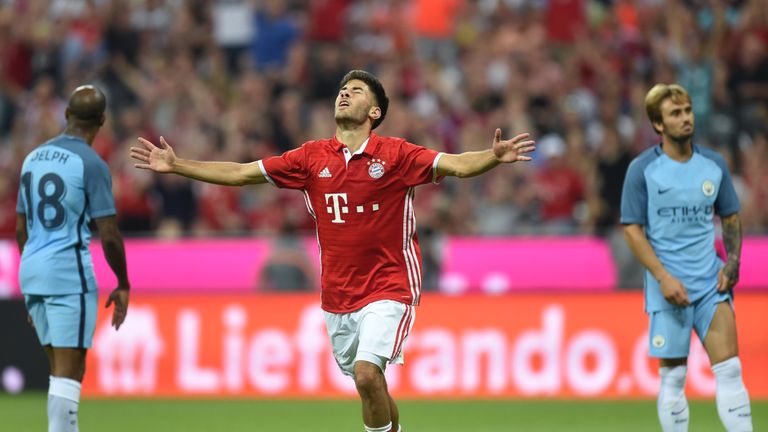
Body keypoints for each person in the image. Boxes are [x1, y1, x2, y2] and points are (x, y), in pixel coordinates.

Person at [131, 70, 534, 432]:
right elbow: (240, 173)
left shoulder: (396, 155)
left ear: (374, 111)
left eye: (356, 91)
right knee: (370, 384)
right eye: (342, 89)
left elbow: (458, 165)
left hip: (390, 285)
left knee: (365, 375)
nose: (344, 94)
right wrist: (177, 164)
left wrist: (492, 158)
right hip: (338, 296)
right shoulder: (309, 158)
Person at [621, 84, 752, 432]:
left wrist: (733, 261)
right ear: (658, 124)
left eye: (688, 110)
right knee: (674, 379)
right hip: (669, 290)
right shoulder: (642, 170)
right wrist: (662, 277)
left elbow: (731, 216)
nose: (686, 119)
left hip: (710, 282)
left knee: (730, 370)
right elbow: (632, 230)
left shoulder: (713, 164)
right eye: (675, 114)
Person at [16, 85, 130, 432]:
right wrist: (123, 282)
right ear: (102, 121)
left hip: (32, 271)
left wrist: (34, 278)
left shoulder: (32, 158)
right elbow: (108, 233)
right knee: (70, 371)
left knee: (58, 370)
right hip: (68, 273)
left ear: (66, 115)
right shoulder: (91, 163)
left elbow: (22, 228)